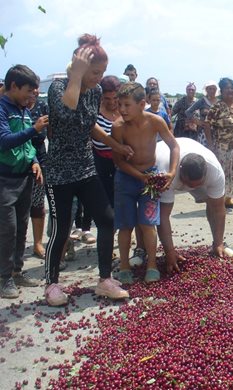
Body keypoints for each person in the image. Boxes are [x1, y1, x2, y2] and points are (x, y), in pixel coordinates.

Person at [45, 34, 133, 306]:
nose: (99, 77)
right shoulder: (59, 88)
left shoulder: (95, 92)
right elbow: (68, 109)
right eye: (95, 72)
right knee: (61, 228)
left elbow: (89, 123)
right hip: (59, 171)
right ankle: (51, 284)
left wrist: (113, 145)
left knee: (106, 220)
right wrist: (77, 76)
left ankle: (105, 280)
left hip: (85, 166)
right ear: (80, 66)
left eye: (103, 72)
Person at [111, 82, 179, 284]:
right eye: (119, 105)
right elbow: (118, 161)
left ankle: (151, 265)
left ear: (142, 104)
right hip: (126, 180)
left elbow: (174, 145)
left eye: (126, 105)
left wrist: (172, 172)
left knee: (149, 224)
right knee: (125, 226)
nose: (122, 110)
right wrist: (139, 176)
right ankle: (124, 265)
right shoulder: (119, 127)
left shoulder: (156, 121)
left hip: (150, 179)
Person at [0, 65, 46, 299]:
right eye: (29, 91)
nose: (31, 96)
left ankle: (17, 271)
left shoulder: (23, 110)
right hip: (5, 179)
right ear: (14, 86)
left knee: (21, 226)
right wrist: (34, 129)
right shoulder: (2, 109)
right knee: (7, 230)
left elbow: (27, 145)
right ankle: (4, 278)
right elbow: (4, 141)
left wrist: (35, 161)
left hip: (24, 177)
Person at [155, 137, 227, 271]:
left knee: (213, 202)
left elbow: (219, 209)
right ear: (181, 173)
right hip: (158, 165)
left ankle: (217, 243)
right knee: (148, 212)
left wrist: (219, 243)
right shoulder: (165, 171)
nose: (190, 187)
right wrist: (170, 252)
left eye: (196, 184)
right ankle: (141, 249)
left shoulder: (215, 171)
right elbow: (163, 216)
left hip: (190, 166)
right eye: (188, 183)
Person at [206, 77, 233, 209]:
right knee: (223, 174)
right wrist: (210, 144)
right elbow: (207, 124)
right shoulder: (217, 107)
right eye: (227, 88)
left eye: (232, 88)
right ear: (222, 91)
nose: (230, 90)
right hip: (223, 148)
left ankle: (228, 200)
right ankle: (219, 201)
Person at [92, 75, 122, 207]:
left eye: (115, 98)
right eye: (107, 99)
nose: (112, 102)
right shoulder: (94, 111)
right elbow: (98, 135)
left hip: (122, 162)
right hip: (100, 162)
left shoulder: (125, 109)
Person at [27, 86, 48, 259]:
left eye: (36, 91)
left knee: (38, 202)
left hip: (40, 158)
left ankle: (38, 244)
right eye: (30, 90)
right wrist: (34, 128)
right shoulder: (14, 108)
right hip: (18, 158)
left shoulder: (42, 107)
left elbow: (48, 132)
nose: (34, 94)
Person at [185, 80, 219, 146]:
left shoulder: (219, 102)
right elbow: (188, 112)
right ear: (206, 90)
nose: (212, 91)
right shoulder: (202, 101)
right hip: (204, 132)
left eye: (214, 89)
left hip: (217, 132)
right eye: (210, 89)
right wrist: (197, 121)